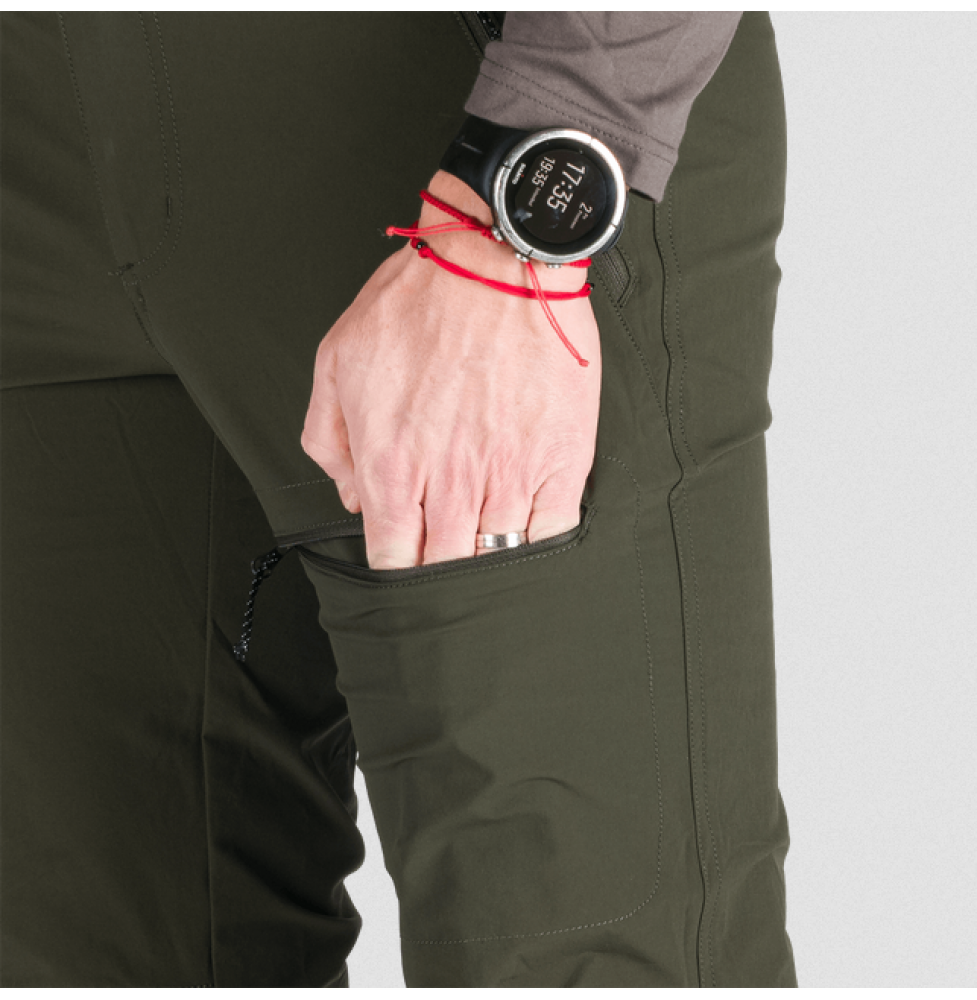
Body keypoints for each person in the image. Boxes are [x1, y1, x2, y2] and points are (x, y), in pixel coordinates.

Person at [0, 12, 796, 987]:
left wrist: (531, 182)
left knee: (576, 947)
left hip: (447, 141)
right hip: (29, 168)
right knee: (92, 949)